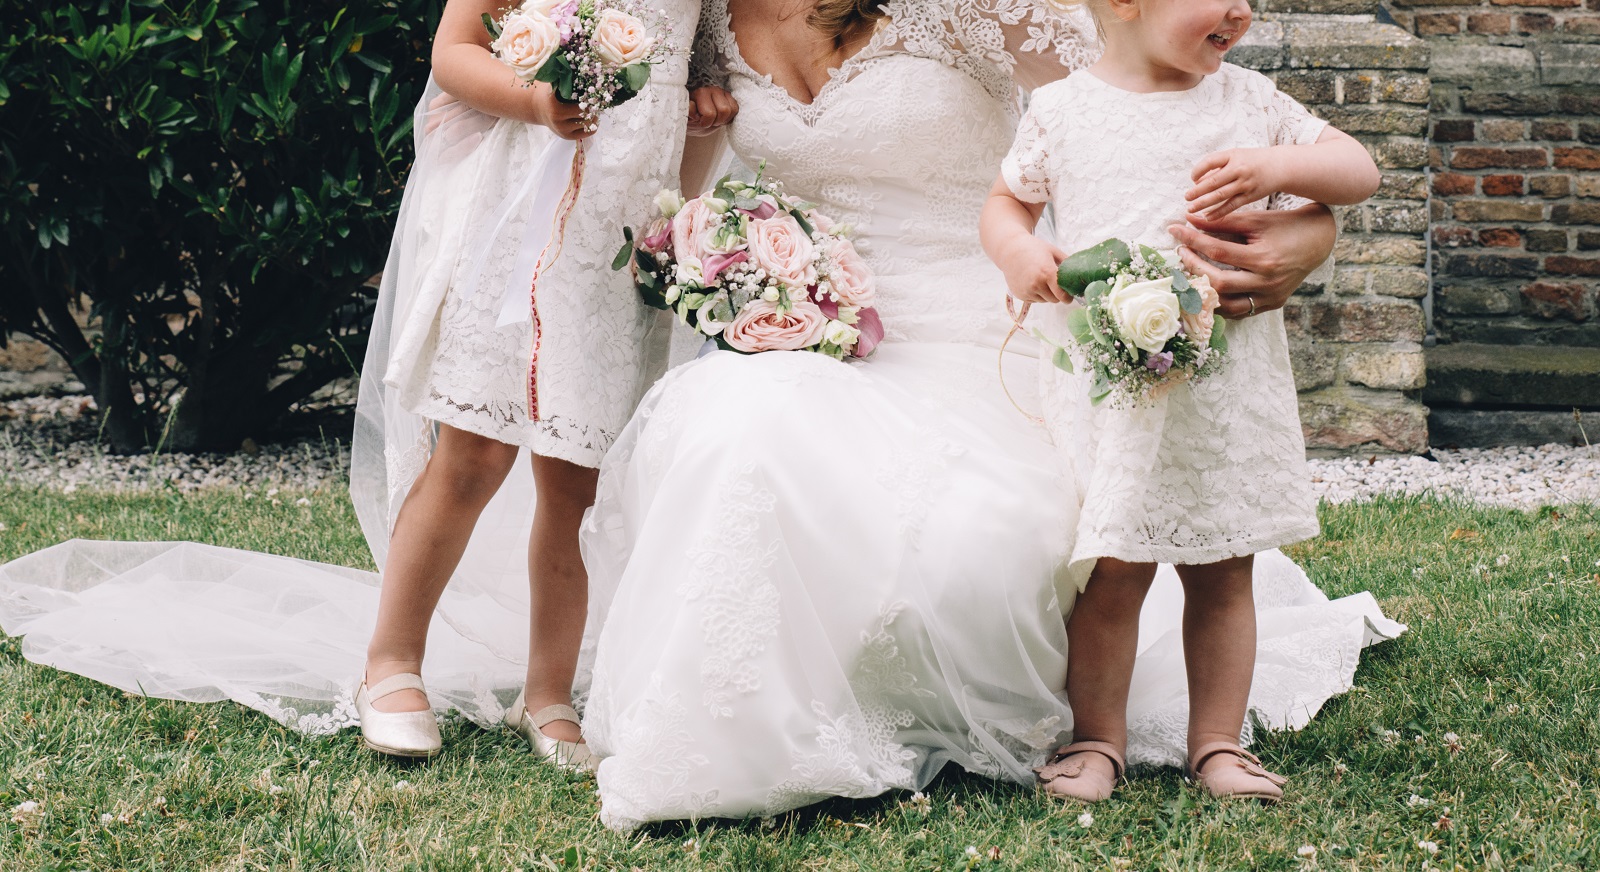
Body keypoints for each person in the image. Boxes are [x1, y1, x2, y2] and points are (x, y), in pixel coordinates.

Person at [573, 0, 1400, 830]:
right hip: (812, 340)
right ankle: (731, 724)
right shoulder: (696, 19)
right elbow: (658, 191)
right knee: (733, 429)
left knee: (990, 540)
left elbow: (1141, 114)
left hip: (994, 333)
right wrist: (718, 245)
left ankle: (1169, 731)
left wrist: (1309, 233)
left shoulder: (985, 10)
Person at [979, 0, 1381, 803]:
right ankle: (1096, 737)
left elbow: (1358, 170)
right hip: (1116, 381)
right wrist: (1021, 252)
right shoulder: (1061, 108)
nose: (1242, 9)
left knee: (1226, 569)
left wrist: (1279, 171)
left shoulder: (1250, 101)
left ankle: (1219, 745)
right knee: (1115, 567)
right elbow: (1004, 205)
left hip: (1221, 382)